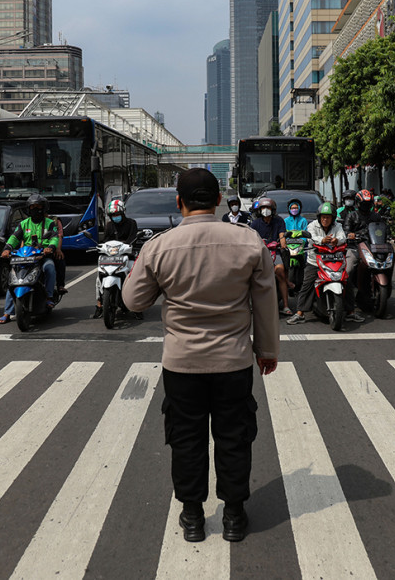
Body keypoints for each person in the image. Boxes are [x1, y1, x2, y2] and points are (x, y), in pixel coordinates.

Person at [122, 168, 279, 544]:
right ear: (219, 200)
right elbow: (266, 302)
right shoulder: (248, 241)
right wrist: (267, 351)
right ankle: (234, 516)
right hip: (234, 361)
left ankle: (192, 517)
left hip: (182, 364)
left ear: (179, 201)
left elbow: (132, 301)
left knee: (186, 439)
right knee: (234, 437)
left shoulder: (160, 246)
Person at [0, 194, 59, 323]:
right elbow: (14, 237)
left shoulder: (50, 223)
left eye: (38, 206)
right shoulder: (24, 224)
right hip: (25, 256)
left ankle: (49, 297)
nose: (35, 209)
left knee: (50, 268)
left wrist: (50, 247)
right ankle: (7, 313)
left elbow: (54, 237)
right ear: (28, 209)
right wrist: (7, 249)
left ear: (44, 208)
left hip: (42, 255)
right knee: (13, 279)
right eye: (33, 207)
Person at [286, 202, 346, 325]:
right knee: (307, 284)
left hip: (334, 260)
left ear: (333, 218)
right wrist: (322, 240)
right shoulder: (312, 225)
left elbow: (342, 237)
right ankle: (300, 313)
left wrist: (337, 240)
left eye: (328, 217)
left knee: (346, 281)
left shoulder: (337, 226)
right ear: (319, 217)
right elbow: (310, 237)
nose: (325, 219)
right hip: (315, 261)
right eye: (323, 217)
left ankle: (350, 311)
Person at [92, 199, 139, 319]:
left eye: (117, 214)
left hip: (127, 256)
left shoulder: (131, 223)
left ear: (123, 213)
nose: (115, 217)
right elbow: (106, 240)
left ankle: (137, 306)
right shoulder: (109, 225)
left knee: (135, 275)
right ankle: (99, 305)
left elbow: (132, 238)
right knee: (99, 278)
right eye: (113, 215)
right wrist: (100, 247)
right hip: (110, 257)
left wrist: (126, 246)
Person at [339, 190, 380, 321]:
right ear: (358, 203)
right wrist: (350, 234)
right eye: (364, 203)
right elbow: (346, 230)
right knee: (348, 271)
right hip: (355, 248)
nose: (366, 206)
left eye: (368, 203)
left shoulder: (375, 216)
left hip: (373, 248)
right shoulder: (352, 216)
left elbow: (383, 229)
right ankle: (345, 300)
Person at [249, 197, 291, 314]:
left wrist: (283, 244)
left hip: (275, 252)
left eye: (268, 208)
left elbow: (282, 236)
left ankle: (286, 306)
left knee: (280, 271)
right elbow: (251, 239)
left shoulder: (279, 221)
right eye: (263, 208)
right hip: (260, 253)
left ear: (272, 209)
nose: (265, 210)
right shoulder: (255, 223)